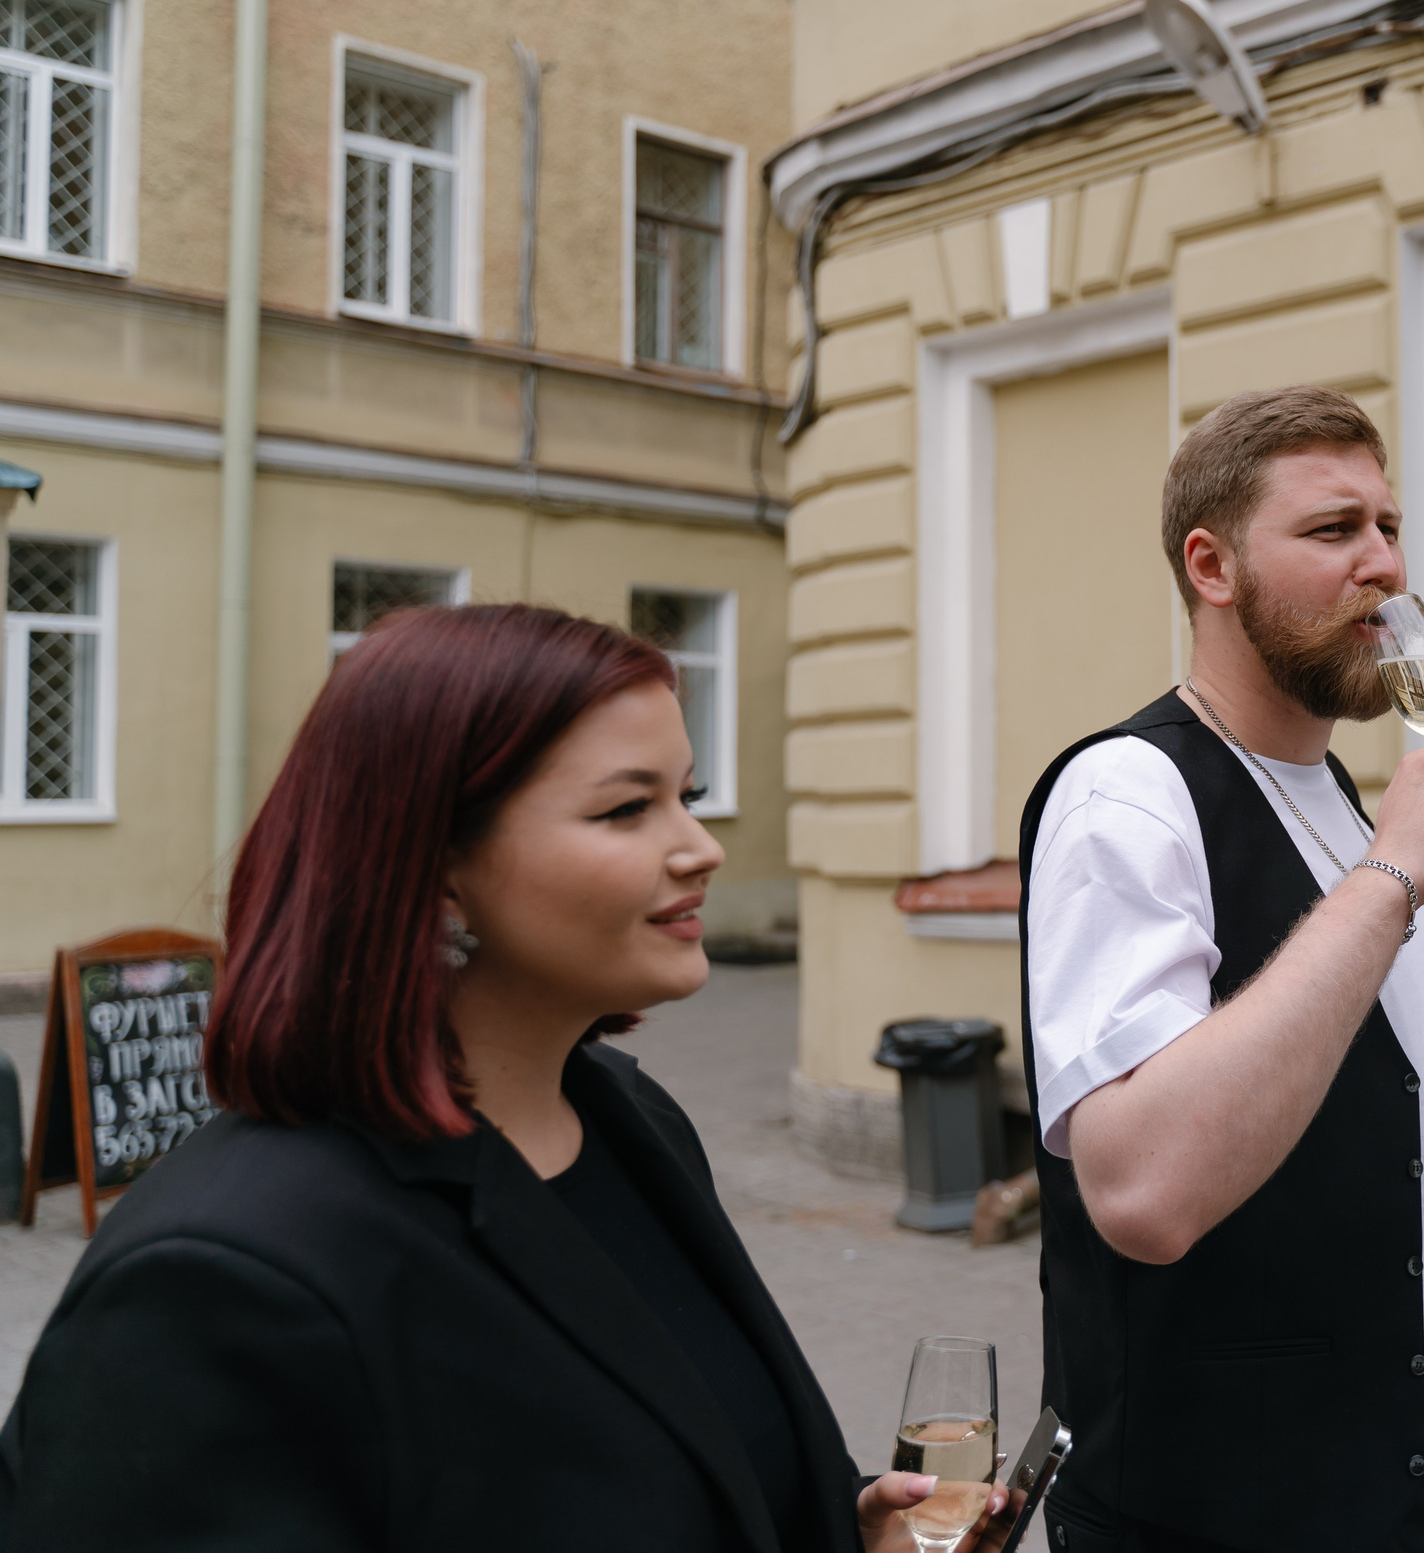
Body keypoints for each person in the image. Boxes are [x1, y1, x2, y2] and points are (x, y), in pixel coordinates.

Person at [0, 605, 1005, 1553]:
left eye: (686, 796)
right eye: (625, 809)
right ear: (435, 862)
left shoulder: (630, 1121)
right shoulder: (227, 1277)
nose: (700, 847)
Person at [1018, 387, 1424, 1552]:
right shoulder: (1128, 793)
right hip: (1226, 1515)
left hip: (1409, 1472)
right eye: (1332, 530)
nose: (1385, 569)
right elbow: (1142, 1190)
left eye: (1389, 528)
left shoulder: (1337, 796)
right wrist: (1396, 873)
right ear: (1211, 566)